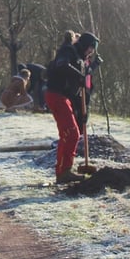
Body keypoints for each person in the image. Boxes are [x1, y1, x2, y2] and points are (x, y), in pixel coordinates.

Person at [44, 31, 99, 184]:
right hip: (57, 95)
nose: (91, 52)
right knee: (71, 133)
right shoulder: (68, 50)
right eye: (91, 48)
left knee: (68, 134)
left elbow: (81, 79)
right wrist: (79, 76)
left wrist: (93, 66)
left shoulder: (79, 57)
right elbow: (63, 65)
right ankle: (64, 171)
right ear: (85, 45)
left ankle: (63, 171)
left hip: (64, 97)